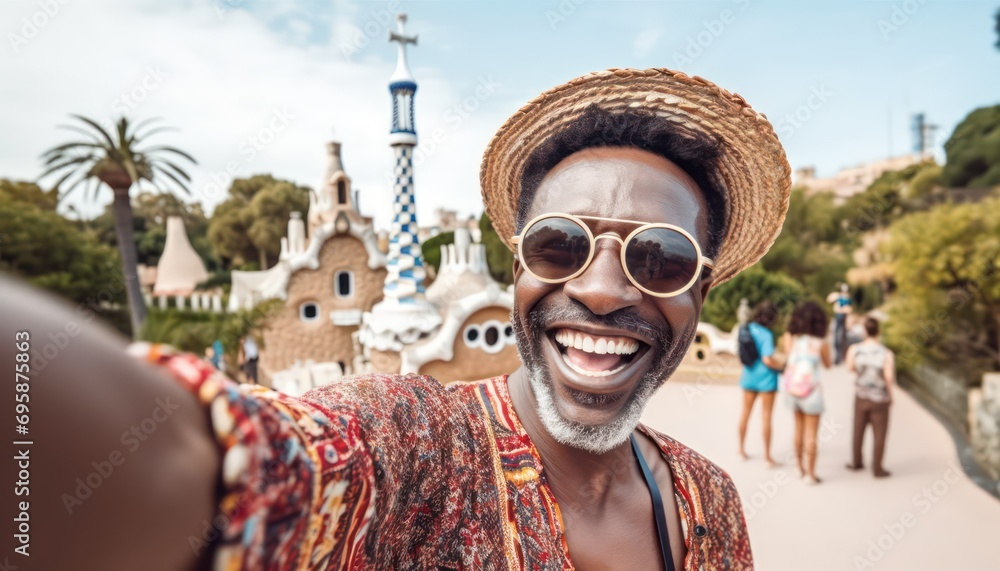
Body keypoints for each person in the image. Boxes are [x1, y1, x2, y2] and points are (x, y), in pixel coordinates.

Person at [10, 68, 792, 570]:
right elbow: (215, 460)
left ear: (701, 294)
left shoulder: (706, 502)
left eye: (659, 257)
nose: (600, 290)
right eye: (560, 245)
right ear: (516, 266)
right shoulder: (417, 443)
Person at [782, 301, 832, 484]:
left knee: (798, 429)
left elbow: (788, 355)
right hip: (811, 392)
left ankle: (799, 468)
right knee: (812, 434)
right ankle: (810, 475)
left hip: (793, 390)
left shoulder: (793, 338)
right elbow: (828, 364)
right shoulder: (821, 342)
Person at [845, 317, 895, 478]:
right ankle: (878, 468)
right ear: (878, 331)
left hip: (861, 395)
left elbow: (850, 367)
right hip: (879, 398)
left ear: (865, 331)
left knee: (858, 430)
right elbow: (888, 377)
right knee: (879, 433)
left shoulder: (854, 349)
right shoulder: (886, 353)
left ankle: (856, 462)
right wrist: (891, 396)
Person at [737, 300, 783, 466]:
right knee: (766, 417)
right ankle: (767, 457)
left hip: (749, 377)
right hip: (766, 379)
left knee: (745, 413)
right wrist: (782, 366)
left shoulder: (747, 329)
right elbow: (767, 359)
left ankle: (741, 450)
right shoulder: (766, 334)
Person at [827, 283, 853, 364]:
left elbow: (849, 309)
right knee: (837, 337)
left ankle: (842, 355)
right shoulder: (838, 296)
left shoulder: (848, 298)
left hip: (844, 318)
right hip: (839, 317)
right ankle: (838, 356)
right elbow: (829, 300)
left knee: (843, 337)